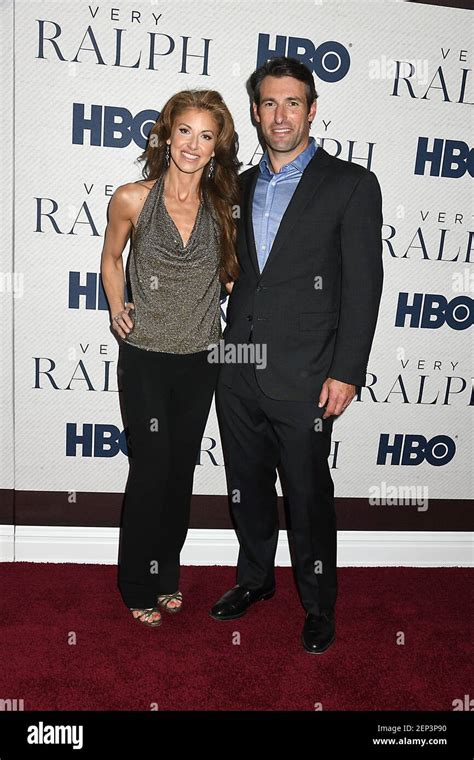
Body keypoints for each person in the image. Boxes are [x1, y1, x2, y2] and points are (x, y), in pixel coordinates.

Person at [210, 57, 384, 653]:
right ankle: (255, 581)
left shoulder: (351, 184)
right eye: (268, 103)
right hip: (238, 369)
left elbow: (364, 286)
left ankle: (317, 605)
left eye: (292, 103)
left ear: (312, 110)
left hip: (309, 375)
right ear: (255, 113)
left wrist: (347, 371)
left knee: (308, 497)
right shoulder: (236, 185)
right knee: (247, 487)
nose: (280, 115)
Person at [100, 90, 239, 627]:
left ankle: (166, 577)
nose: (193, 144)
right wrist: (117, 306)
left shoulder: (223, 210)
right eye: (185, 131)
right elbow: (111, 258)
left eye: (206, 136)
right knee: (151, 469)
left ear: (216, 147)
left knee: (180, 473)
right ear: (166, 134)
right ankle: (136, 582)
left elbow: (229, 277)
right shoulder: (133, 198)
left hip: (200, 360)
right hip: (146, 360)